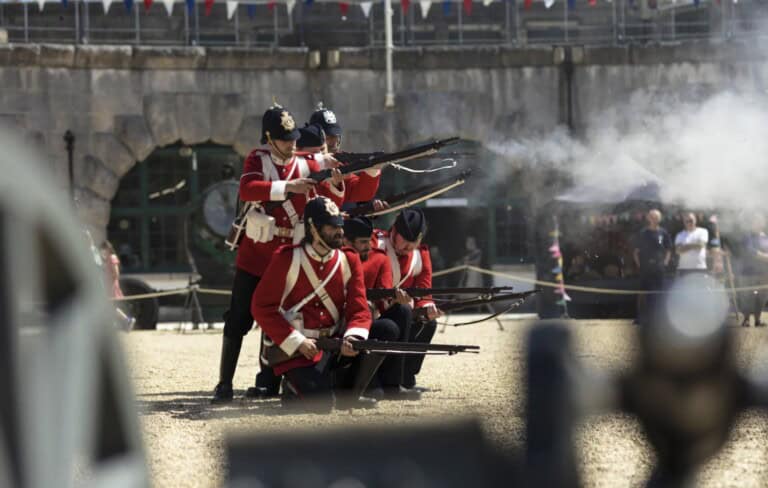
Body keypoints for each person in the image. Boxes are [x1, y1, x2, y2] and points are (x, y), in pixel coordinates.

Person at [211, 105, 345, 404]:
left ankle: (269, 381)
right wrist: (289, 187)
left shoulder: (305, 161)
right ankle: (224, 383)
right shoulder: (257, 159)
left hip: (287, 259)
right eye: (285, 139)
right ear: (269, 139)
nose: (291, 144)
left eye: (293, 138)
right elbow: (248, 189)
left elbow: (329, 187)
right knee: (238, 320)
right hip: (256, 257)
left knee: (281, 319)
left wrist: (339, 181)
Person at [251, 197, 391, 412]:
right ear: (313, 228)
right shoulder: (287, 258)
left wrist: (353, 337)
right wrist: (298, 341)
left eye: (340, 226)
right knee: (322, 405)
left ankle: (347, 395)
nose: (340, 232)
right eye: (332, 227)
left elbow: (359, 309)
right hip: (300, 351)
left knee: (383, 331)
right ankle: (295, 387)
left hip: (335, 343)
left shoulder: (349, 259)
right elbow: (262, 307)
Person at [372, 208, 441, 399]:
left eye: (413, 242)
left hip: (402, 312)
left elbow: (424, 291)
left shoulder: (420, 255)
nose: (408, 246)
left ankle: (406, 378)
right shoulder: (376, 242)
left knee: (428, 322)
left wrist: (426, 307)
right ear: (394, 230)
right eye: (404, 240)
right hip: (374, 312)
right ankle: (391, 383)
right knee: (402, 312)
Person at [343, 215, 413, 399]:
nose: (369, 246)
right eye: (363, 242)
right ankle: (364, 384)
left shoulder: (379, 258)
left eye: (369, 241)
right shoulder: (337, 259)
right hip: (342, 321)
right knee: (388, 328)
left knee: (403, 312)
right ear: (347, 241)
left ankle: (392, 383)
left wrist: (396, 300)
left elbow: (384, 300)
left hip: (365, 318)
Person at [632, 209, 672, 325]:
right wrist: (640, 265)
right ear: (648, 218)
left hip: (659, 267)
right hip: (645, 267)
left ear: (660, 219)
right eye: (652, 217)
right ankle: (640, 316)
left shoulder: (663, 233)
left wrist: (665, 263)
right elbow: (635, 252)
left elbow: (668, 250)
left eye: (657, 217)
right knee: (642, 293)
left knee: (660, 292)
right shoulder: (643, 233)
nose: (654, 219)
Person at [739, 213, 768, 327]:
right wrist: (765, 257)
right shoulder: (747, 236)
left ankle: (757, 320)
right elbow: (750, 251)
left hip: (763, 273)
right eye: (755, 221)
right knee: (747, 297)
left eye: (759, 221)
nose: (757, 223)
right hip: (748, 272)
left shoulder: (765, 237)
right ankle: (746, 319)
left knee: (762, 297)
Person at [99, 240, 136, 331]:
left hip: (112, 286)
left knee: (111, 307)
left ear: (108, 249)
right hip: (108, 286)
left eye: (104, 249)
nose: (103, 251)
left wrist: (107, 275)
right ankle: (122, 322)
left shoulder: (112, 257)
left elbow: (116, 273)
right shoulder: (106, 259)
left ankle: (127, 320)